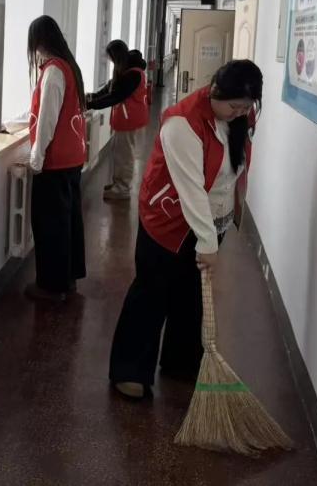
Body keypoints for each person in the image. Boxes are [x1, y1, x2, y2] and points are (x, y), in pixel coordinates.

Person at [109, 60, 263, 400]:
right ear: (216, 91)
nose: (240, 113)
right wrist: (207, 243)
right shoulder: (182, 124)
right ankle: (129, 368)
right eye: (234, 106)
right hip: (168, 220)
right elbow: (191, 190)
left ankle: (180, 361)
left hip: (210, 221)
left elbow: (231, 174)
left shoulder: (239, 118)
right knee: (153, 291)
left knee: (191, 293)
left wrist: (215, 231)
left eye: (246, 107)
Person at [25, 15, 88, 303]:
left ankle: (51, 287)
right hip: (73, 158)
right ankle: (68, 279)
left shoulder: (53, 72)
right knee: (69, 220)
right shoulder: (69, 67)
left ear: (39, 41)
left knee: (50, 225)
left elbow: (47, 122)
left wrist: (36, 160)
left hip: (56, 161)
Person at [87, 39, 150, 201]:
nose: (110, 61)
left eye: (111, 58)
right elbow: (109, 89)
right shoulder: (125, 70)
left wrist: (91, 104)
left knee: (125, 156)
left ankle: (122, 188)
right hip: (124, 120)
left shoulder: (133, 74)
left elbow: (115, 96)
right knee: (119, 154)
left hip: (130, 121)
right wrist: (91, 97)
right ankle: (118, 184)